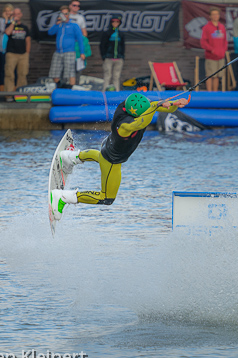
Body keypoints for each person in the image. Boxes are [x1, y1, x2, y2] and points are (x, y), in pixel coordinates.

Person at [49, 93, 189, 219]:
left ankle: (70, 157)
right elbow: (142, 122)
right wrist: (155, 105)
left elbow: (158, 107)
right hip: (112, 160)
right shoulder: (125, 125)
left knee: (100, 156)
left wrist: (174, 104)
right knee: (107, 198)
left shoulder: (128, 104)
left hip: (108, 145)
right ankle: (63, 197)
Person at [48, 6, 85, 87]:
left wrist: (82, 52)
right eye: (62, 14)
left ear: (69, 14)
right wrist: (56, 24)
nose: (64, 15)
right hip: (58, 51)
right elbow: (50, 32)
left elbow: (80, 39)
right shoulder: (59, 25)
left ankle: (71, 89)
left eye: (66, 13)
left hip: (69, 51)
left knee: (70, 72)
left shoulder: (74, 25)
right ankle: (60, 86)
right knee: (54, 72)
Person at [4, 8, 30, 101]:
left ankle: (21, 95)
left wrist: (27, 53)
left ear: (21, 15)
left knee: (23, 74)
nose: (16, 15)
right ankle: (9, 95)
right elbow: (7, 32)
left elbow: (28, 41)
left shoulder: (25, 27)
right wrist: (13, 22)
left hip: (23, 54)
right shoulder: (9, 25)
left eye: (18, 14)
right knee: (9, 75)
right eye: (14, 14)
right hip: (11, 53)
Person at [199, 7, 227, 92]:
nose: (215, 16)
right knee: (210, 75)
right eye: (213, 14)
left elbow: (225, 41)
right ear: (210, 16)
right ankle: (209, 93)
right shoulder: (207, 27)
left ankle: (215, 93)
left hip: (221, 56)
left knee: (217, 76)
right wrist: (212, 50)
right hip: (211, 56)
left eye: (217, 14)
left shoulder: (222, 27)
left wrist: (223, 50)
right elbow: (203, 42)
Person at [100, 16, 125, 92]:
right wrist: (104, 56)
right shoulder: (107, 33)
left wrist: (122, 56)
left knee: (116, 76)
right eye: (113, 22)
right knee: (107, 75)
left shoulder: (121, 33)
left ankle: (117, 91)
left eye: (117, 22)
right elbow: (102, 45)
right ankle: (104, 91)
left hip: (119, 58)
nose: (115, 23)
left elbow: (123, 46)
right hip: (108, 57)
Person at [0, 4, 14, 92]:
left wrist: (10, 20)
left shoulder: (14, 20)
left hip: (11, 49)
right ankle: (2, 88)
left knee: (11, 70)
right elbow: (3, 29)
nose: (8, 12)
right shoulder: (1, 20)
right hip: (3, 49)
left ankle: (12, 89)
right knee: (2, 69)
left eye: (10, 10)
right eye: (6, 11)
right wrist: (7, 20)